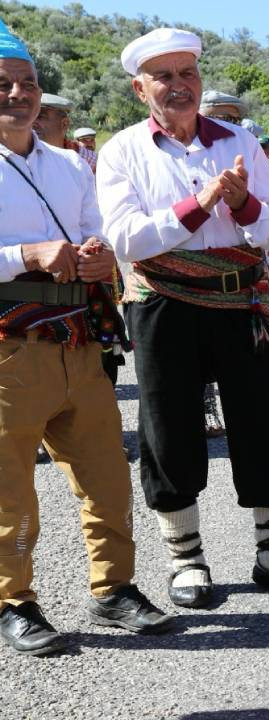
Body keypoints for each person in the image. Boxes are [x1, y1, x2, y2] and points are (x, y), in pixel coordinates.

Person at [97, 27, 269, 611]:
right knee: (169, 428)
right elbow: (126, 239)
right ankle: (186, 560)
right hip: (162, 303)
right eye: (165, 77)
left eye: (188, 74)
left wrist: (241, 203)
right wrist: (200, 204)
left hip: (239, 302)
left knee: (264, 421)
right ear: (140, 89)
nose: (179, 87)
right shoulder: (122, 151)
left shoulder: (238, 142)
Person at [0, 18, 171, 657]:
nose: (19, 94)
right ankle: (13, 601)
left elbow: (98, 229)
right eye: (4, 84)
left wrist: (101, 256)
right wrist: (27, 253)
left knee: (106, 477)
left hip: (78, 340)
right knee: (8, 486)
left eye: (28, 83)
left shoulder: (70, 164)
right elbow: (36, 249)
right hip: (8, 348)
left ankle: (115, 589)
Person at [32, 92, 96, 171]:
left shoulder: (85, 158)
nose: (32, 122)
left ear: (64, 124)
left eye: (40, 117)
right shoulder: (20, 156)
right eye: (30, 116)